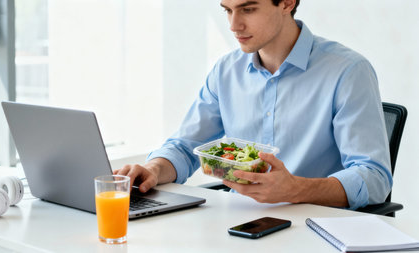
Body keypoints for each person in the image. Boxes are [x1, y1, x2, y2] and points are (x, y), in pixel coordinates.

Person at [114, 0, 392, 210]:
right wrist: (154, 169)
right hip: (241, 225)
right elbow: (185, 147)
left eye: (248, 9)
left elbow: (374, 178)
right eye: (227, 10)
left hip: (316, 228)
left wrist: (297, 189)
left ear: (286, 3)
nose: (234, 25)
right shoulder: (226, 71)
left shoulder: (348, 71)